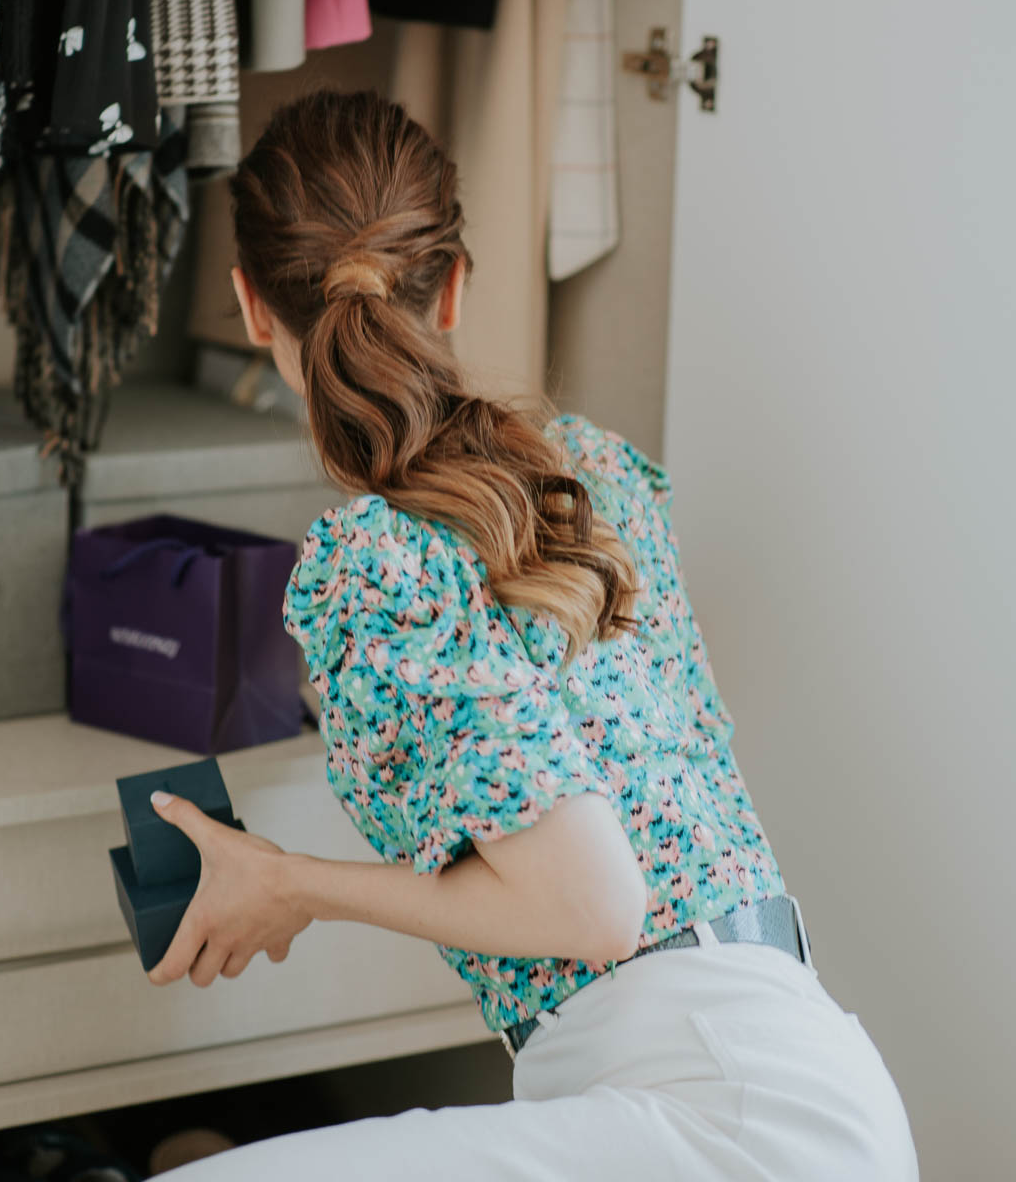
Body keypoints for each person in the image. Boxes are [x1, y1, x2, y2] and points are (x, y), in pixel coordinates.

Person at [146, 90, 918, 1179]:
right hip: (812, 1083)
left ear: (248, 303)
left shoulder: (380, 552)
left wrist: (292, 881)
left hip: (715, 1112)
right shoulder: (589, 467)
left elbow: (595, 907)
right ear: (454, 283)